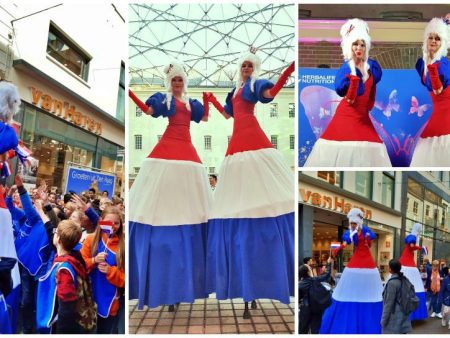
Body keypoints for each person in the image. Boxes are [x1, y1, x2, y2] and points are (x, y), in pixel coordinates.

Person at [203, 49, 295, 311]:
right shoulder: (235, 90)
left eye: (249, 65)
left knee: (257, 188)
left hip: (253, 138)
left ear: (254, 68)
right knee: (237, 193)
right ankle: (247, 284)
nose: (245, 68)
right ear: (239, 68)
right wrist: (211, 100)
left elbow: (270, 94)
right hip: (237, 142)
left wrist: (285, 74)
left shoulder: (255, 85)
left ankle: (260, 277)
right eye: (242, 65)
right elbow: (228, 115)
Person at [127, 61, 211, 310]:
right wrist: (131, 94)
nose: (177, 83)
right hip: (169, 144)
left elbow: (204, 118)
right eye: (174, 80)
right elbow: (149, 111)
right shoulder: (166, 100)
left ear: (184, 82)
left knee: (190, 193)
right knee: (164, 188)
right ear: (170, 82)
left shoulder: (189, 102)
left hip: (187, 147)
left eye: (180, 80)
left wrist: (207, 100)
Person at [304, 18, 390, 167]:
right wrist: (353, 84)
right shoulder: (346, 69)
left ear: (366, 48)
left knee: (371, 151)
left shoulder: (372, 69)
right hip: (346, 115)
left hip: (363, 119)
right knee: (342, 152)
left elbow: (370, 98)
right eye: (355, 44)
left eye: (362, 44)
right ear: (350, 46)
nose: (359, 48)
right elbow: (348, 98)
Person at [320, 208, 383, 333]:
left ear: (359, 222)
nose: (352, 225)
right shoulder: (350, 232)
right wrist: (339, 248)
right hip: (356, 259)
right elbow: (346, 240)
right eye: (351, 223)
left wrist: (367, 237)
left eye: (354, 223)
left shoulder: (366, 230)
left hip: (367, 260)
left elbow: (370, 241)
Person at [37, 220, 91, 333]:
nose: (54, 233)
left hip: (61, 325)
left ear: (59, 240)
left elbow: (66, 307)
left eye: (56, 232)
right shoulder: (74, 256)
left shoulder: (64, 270)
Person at [411, 17, 450, 166]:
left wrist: (432, 69)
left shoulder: (443, 65)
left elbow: (438, 89)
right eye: (431, 37)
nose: (433, 41)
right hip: (438, 115)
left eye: (438, 39)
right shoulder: (425, 64)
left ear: (443, 43)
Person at [80, 206, 124, 333]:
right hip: (88, 300)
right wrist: (93, 261)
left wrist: (110, 271)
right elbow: (80, 267)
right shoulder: (90, 240)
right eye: (109, 222)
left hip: (110, 303)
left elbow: (126, 278)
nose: (113, 226)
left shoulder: (123, 247)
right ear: (102, 222)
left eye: (116, 223)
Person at [398, 223, 428, 320]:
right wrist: (419, 248)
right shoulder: (412, 237)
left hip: (406, 262)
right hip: (408, 263)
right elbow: (411, 244)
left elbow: (411, 245)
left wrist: (419, 248)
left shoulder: (411, 236)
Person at [299, 257, 333, 334]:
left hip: (305, 309)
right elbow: (326, 274)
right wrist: (328, 263)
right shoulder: (314, 280)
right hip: (317, 308)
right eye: (309, 268)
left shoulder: (300, 284)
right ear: (308, 272)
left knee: (303, 328)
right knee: (315, 328)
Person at [381, 259, 412, 334]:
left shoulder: (392, 283)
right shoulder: (404, 279)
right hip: (404, 316)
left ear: (390, 269)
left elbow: (388, 304)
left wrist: (383, 321)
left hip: (394, 320)